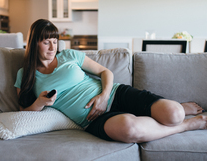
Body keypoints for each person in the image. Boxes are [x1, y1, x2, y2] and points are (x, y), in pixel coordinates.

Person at [14, 19, 207, 143]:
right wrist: (39, 103)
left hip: (114, 93)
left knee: (174, 113)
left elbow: (105, 72)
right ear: (34, 43)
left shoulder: (69, 55)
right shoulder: (25, 74)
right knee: (130, 129)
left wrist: (104, 96)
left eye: (54, 41)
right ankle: (188, 125)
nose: (52, 47)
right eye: (46, 42)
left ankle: (179, 110)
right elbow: (22, 112)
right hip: (93, 119)